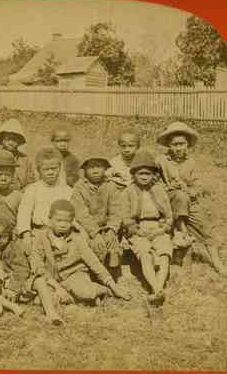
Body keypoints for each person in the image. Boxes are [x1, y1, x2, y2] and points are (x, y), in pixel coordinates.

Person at [30, 200, 131, 309]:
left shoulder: (77, 239)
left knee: (84, 292)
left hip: (75, 275)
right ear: (50, 219)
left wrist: (113, 285)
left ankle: (105, 291)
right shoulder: (41, 237)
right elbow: (37, 265)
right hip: (51, 278)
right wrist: (56, 286)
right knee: (40, 299)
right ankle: (77, 298)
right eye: (59, 220)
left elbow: (94, 263)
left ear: (72, 222)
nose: (63, 225)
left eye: (67, 222)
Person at [156, 122, 227, 275]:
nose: (178, 148)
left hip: (189, 201)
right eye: (174, 144)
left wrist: (188, 189)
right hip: (168, 201)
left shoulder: (192, 162)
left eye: (182, 144)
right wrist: (169, 187)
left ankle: (217, 263)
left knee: (205, 229)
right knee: (179, 197)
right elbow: (153, 181)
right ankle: (181, 233)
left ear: (187, 145)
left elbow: (199, 186)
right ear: (169, 145)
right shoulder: (161, 161)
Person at [121, 150, 173, 306]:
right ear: (134, 174)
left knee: (164, 254)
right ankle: (156, 288)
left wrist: (162, 230)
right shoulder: (128, 192)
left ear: (153, 175)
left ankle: (159, 287)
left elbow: (169, 216)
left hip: (158, 227)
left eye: (148, 174)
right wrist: (137, 231)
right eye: (140, 173)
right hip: (139, 229)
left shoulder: (159, 190)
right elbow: (125, 218)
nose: (144, 177)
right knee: (144, 253)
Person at [71, 156, 123, 273]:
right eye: (91, 168)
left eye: (99, 167)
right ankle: (92, 273)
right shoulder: (79, 187)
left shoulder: (111, 186)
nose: (95, 171)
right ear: (84, 170)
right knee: (92, 244)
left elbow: (116, 211)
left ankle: (112, 274)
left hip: (106, 226)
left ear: (105, 169)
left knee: (112, 243)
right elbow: (81, 214)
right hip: (86, 227)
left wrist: (112, 229)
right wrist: (95, 233)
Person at [17, 147, 73, 256]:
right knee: (32, 255)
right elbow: (24, 213)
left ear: (60, 168)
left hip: (63, 233)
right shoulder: (33, 189)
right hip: (39, 233)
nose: (50, 172)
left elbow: (74, 216)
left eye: (54, 168)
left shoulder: (67, 190)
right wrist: (26, 235)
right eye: (46, 169)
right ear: (39, 170)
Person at [0, 118, 35, 191]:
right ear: (2, 140)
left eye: (14, 139)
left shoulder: (25, 159)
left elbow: (31, 182)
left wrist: (23, 191)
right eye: (7, 139)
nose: (10, 142)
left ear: (19, 140)